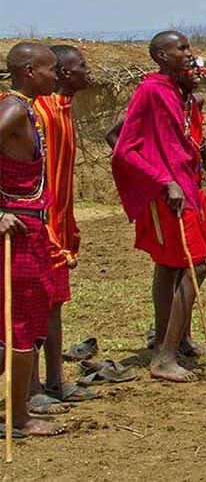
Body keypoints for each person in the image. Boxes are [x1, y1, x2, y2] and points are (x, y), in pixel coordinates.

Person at [112, 31, 206, 383]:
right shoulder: (151, 91)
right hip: (171, 194)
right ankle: (164, 356)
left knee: (169, 269)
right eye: (181, 49)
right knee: (195, 267)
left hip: (188, 190)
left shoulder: (177, 92)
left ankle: (175, 340)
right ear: (160, 56)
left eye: (189, 48)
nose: (190, 54)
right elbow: (122, 146)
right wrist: (162, 179)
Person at [0, 42, 64, 436]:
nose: (55, 76)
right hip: (18, 229)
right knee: (20, 324)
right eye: (50, 69)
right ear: (28, 70)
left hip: (31, 225)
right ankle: (19, 417)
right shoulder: (11, 110)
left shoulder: (24, 108)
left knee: (25, 320)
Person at [31, 45, 98, 411]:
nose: (88, 72)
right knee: (35, 308)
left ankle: (55, 381)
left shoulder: (63, 111)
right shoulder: (37, 113)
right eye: (81, 67)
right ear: (62, 74)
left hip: (58, 226)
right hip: (38, 228)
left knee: (54, 306)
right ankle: (32, 388)